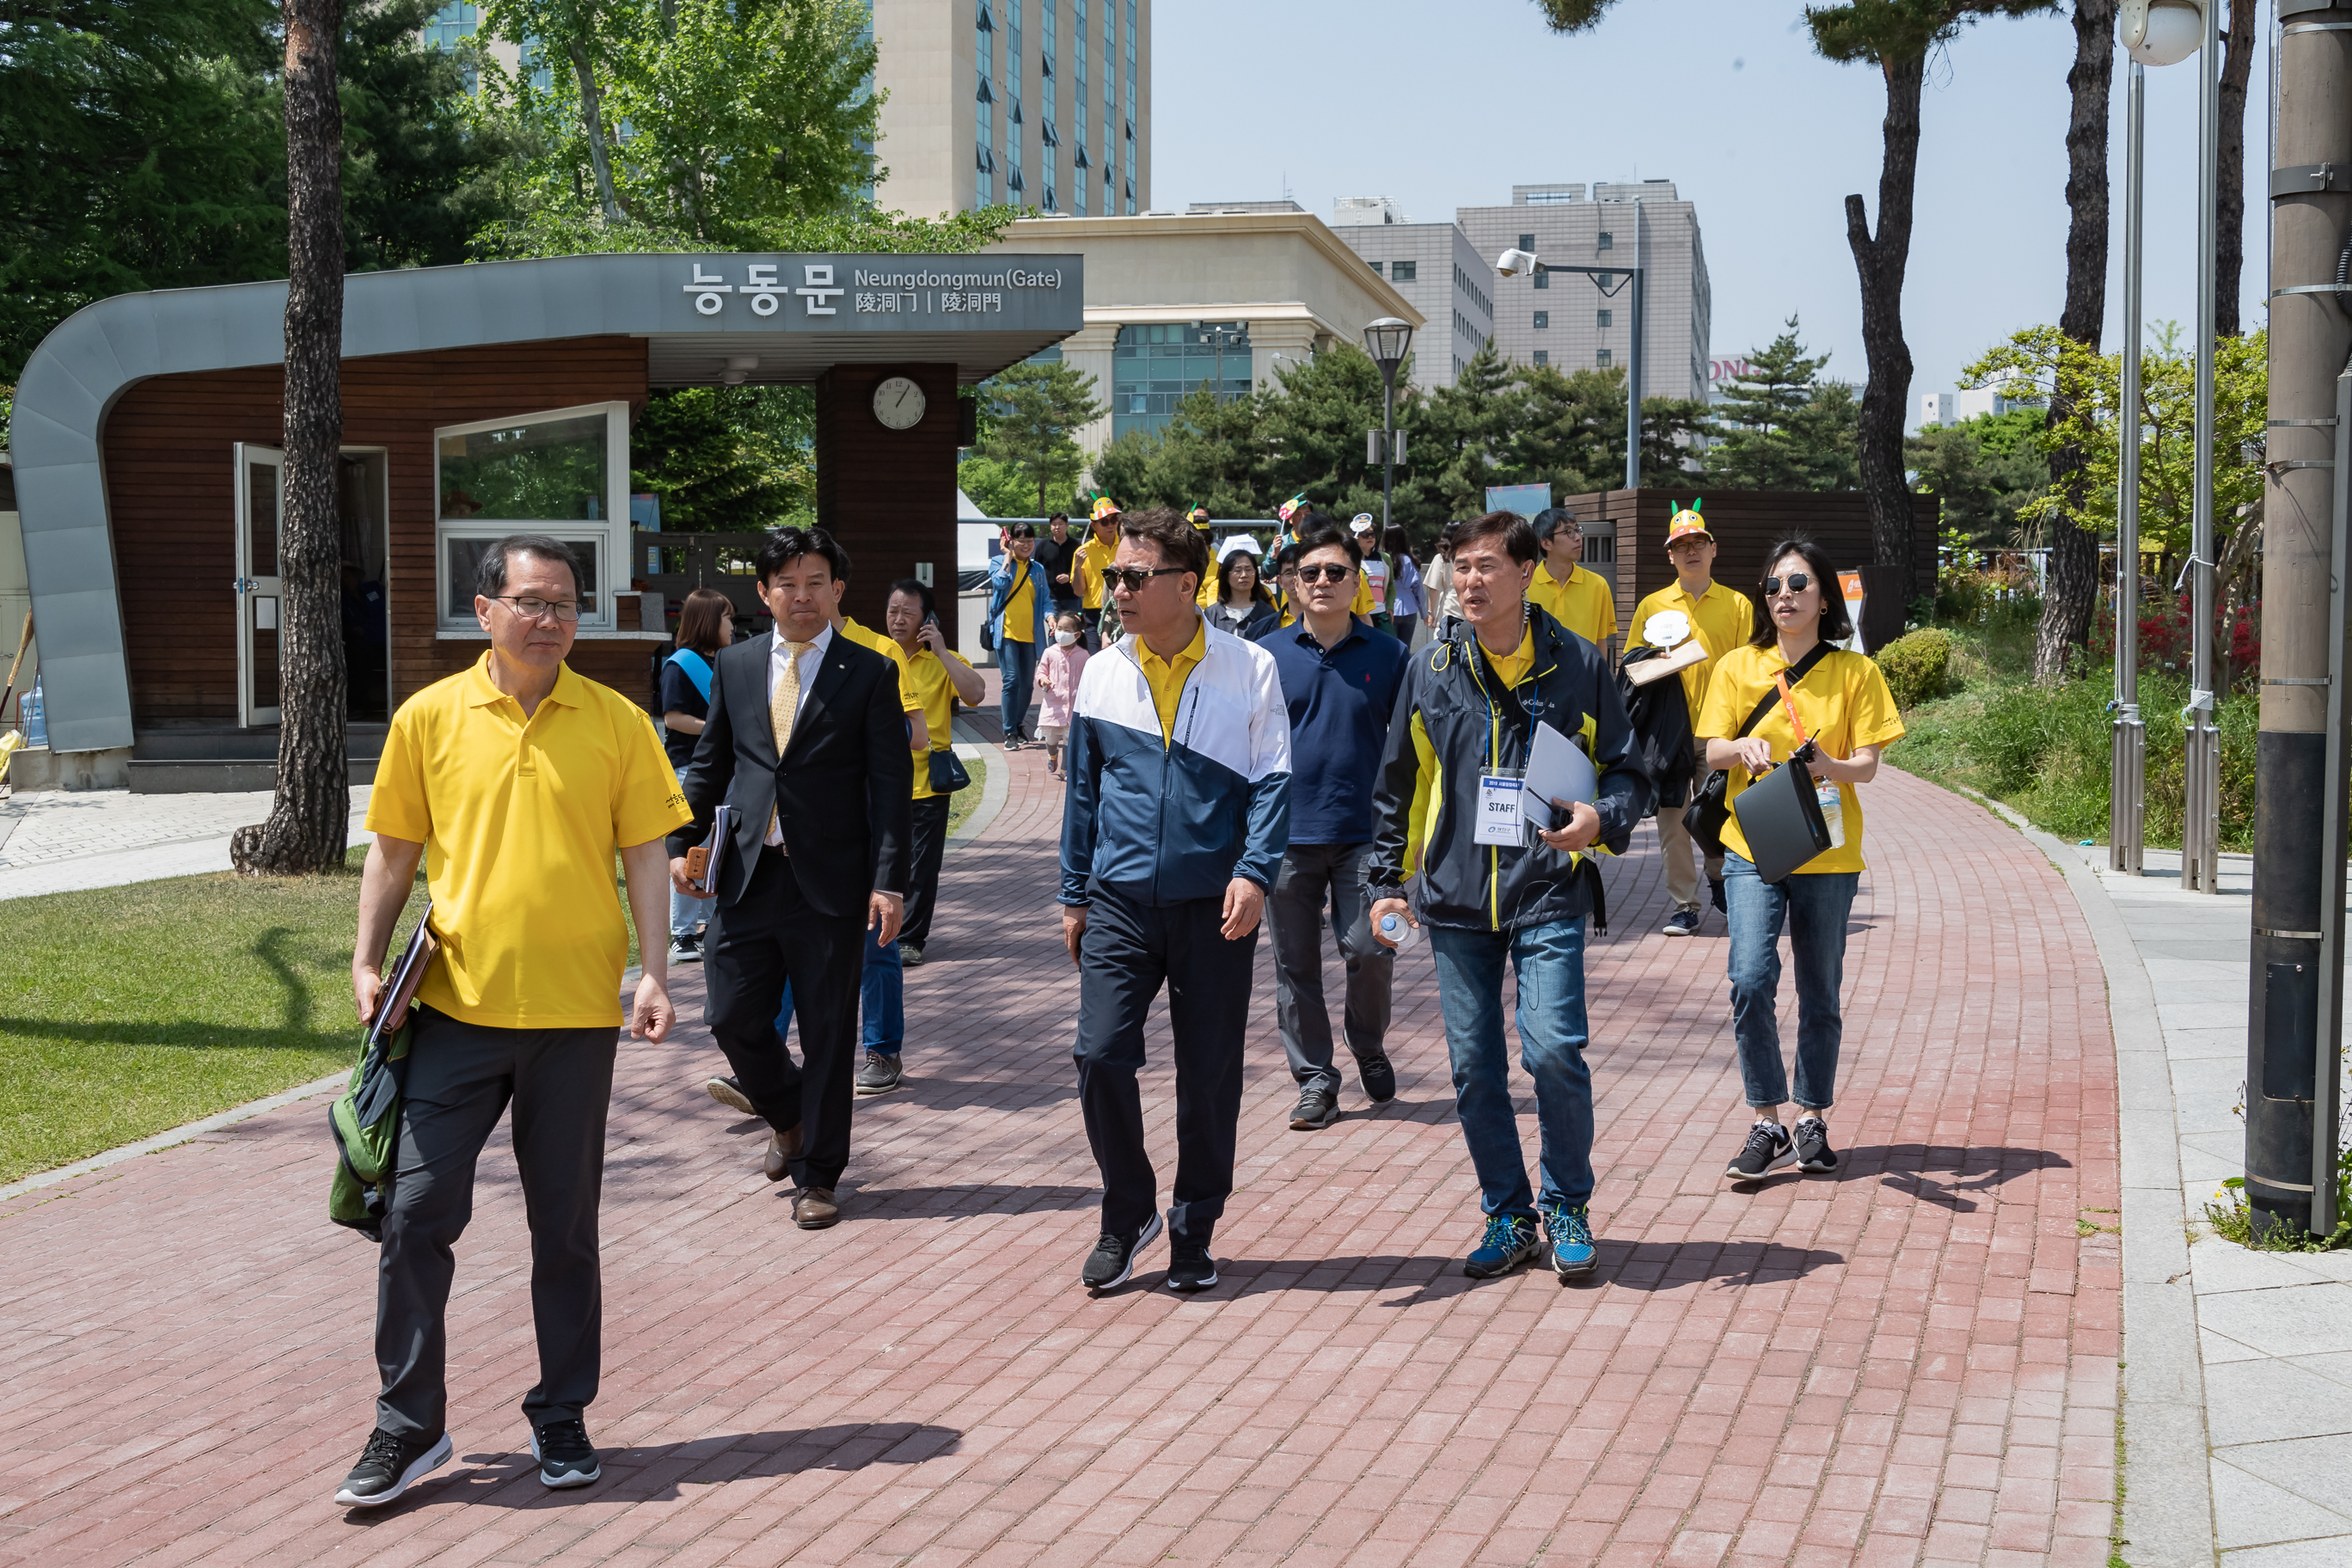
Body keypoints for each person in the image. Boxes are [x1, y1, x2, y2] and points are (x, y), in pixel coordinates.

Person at [337, 534, 689, 1509]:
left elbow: (649, 857)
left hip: (577, 1018)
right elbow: (396, 852)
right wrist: (367, 958)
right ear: (484, 610)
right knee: (413, 1216)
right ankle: (408, 1427)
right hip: (454, 1011)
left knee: (565, 1230)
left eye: (566, 605)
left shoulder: (617, 721)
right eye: (532, 602)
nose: (551, 620)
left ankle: (563, 1412)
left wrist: (654, 974)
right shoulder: (429, 718)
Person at [1367, 511, 1651, 1283]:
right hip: (1456, 899)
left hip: (1548, 888)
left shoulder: (1579, 664)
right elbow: (1397, 783)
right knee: (1474, 1069)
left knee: (1554, 1050)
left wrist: (1603, 818)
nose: (1470, 581)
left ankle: (1566, 1204)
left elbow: (1629, 769)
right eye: (1460, 567)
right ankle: (1507, 1214)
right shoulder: (1431, 667)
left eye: (1487, 565)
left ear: (1527, 572)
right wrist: (1386, 882)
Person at [1059, 507, 1291, 1294]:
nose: (1116, 589)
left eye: (1133, 577)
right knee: (1097, 1055)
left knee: (1209, 1074)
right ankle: (1128, 1212)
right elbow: (1082, 797)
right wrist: (1073, 893)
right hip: (1119, 901)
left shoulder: (1250, 668)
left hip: (1214, 904)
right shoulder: (1100, 670)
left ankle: (1194, 1227)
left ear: (1186, 584)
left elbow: (1272, 785)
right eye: (1113, 577)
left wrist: (1254, 872)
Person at [668, 527, 912, 1231]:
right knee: (730, 1015)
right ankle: (790, 1117)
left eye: (815, 583)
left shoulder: (869, 673)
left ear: (837, 590)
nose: (801, 597)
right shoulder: (738, 666)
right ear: (764, 593)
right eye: (787, 584)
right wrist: (685, 842)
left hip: (832, 884)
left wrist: (890, 881)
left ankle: (819, 1176)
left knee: (830, 1033)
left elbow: (890, 787)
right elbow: (713, 764)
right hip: (747, 877)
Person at [1700, 538, 1903, 1183]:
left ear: (1824, 598)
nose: (1783, 595)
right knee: (1751, 977)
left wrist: (1829, 765)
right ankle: (1767, 1119)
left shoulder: (1855, 673)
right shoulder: (1738, 666)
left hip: (1828, 848)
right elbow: (1711, 749)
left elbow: (1867, 766)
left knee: (1821, 992)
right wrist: (1743, 748)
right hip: (1752, 843)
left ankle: (1811, 1117)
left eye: (1797, 583)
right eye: (1773, 586)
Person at [1262, 522, 1410, 1130]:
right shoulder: (1265, 657)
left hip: (1366, 837)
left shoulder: (1391, 655)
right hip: (1285, 836)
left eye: (1335, 572)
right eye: (1310, 574)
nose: (1322, 582)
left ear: (1358, 583)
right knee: (1294, 966)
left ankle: (1368, 1042)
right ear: (1293, 585)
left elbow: (1410, 747)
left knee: (1372, 948)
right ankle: (1316, 1080)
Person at [1630, 500, 1754, 937]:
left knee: (1719, 815)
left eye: (1698, 543)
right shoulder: (1652, 605)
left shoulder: (1738, 605)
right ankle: (1684, 904)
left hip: (1721, 733)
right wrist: (1660, 660)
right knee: (1673, 823)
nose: (1691, 551)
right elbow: (1634, 670)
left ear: (1713, 549)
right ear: (1670, 555)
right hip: (1668, 735)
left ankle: (1720, 879)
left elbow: (1750, 667)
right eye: (1681, 545)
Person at [888, 577, 984, 968]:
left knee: (921, 865)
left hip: (928, 781)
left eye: (907, 613)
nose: (897, 620)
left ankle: (910, 937)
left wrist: (942, 650)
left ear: (926, 619)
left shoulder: (943, 660)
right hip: (880, 779)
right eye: (893, 611)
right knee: (881, 859)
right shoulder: (876, 654)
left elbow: (976, 693)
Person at [659, 587, 736, 965]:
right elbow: (673, 719)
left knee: (716, 845)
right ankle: (682, 933)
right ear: (708, 620)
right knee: (689, 848)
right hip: (690, 768)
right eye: (727, 618)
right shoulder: (680, 664)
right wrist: (717, 727)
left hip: (725, 769)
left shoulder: (728, 661)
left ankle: (707, 923)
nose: (733, 626)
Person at [988, 521, 1051, 748]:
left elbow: (1045, 601)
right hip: (1006, 633)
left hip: (1031, 635)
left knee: (1027, 685)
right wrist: (1006, 556)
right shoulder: (998, 562)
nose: (1026, 546)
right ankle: (1008, 733)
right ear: (1010, 541)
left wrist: (1051, 617)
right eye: (1021, 541)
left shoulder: (1038, 570)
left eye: (1030, 541)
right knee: (1011, 680)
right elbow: (999, 582)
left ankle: (1017, 725)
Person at [1527, 507, 1617, 652]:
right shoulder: (1524, 587)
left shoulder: (1598, 585)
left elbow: (1600, 642)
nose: (1577, 537)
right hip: (1540, 673)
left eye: (1578, 530)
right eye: (1568, 532)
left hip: (1584, 673)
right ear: (1546, 543)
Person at [1034, 610, 1089, 777]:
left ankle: (1066, 768)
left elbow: (1089, 676)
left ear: (1077, 634)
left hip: (1073, 707)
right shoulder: (1050, 652)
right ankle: (1052, 755)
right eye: (1059, 628)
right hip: (1053, 706)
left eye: (1067, 630)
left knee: (1069, 740)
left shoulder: (1084, 655)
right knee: (1051, 739)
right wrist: (1043, 679)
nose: (1062, 633)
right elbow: (1041, 671)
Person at [1207, 536, 1279, 640]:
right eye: (1237, 570)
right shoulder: (1212, 614)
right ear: (1226, 575)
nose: (1244, 575)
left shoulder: (1268, 614)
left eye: (1249, 569)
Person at [1075, 498, 1123, 642]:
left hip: (1122, 610)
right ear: (1094, 525)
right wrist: (1077, 566)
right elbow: (1078, 591)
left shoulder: (1126, 546)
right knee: (1096, 661)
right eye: (1104, 521)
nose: (1110, 525)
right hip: (1093, 615)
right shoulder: (1083, 551)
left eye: (1114, 519)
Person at [1036, 511, 1083, 622]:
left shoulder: (1075, 545)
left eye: (1060, 524)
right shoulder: (1043, 545)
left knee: (1072, 626)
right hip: (1050, 595)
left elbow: (1082, 568)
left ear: (1067, 525)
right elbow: (1037, 568)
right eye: (1054, 524)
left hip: (1072, 595)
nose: (1057, 527)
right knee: (1055, 626)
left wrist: (1069, 577)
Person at [1348, 515, 1390, 634]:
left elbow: (1390, 585)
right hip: (1359, 613)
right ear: (1356, 537)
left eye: (1372, 534)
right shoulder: (1349, 560)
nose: (1370, 537)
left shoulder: (1384, 558)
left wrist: (1390, 606)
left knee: (1392, 645)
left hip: (1381, 611)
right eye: (1365, 534)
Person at [1387, 528, 1424, 646]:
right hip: (1410, 608)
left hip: (1388, 607)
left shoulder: (1383, 558)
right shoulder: (1410, 560)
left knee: (1389, 649)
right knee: (1405, 649)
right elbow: (1418, 589)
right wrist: (1424, 613)